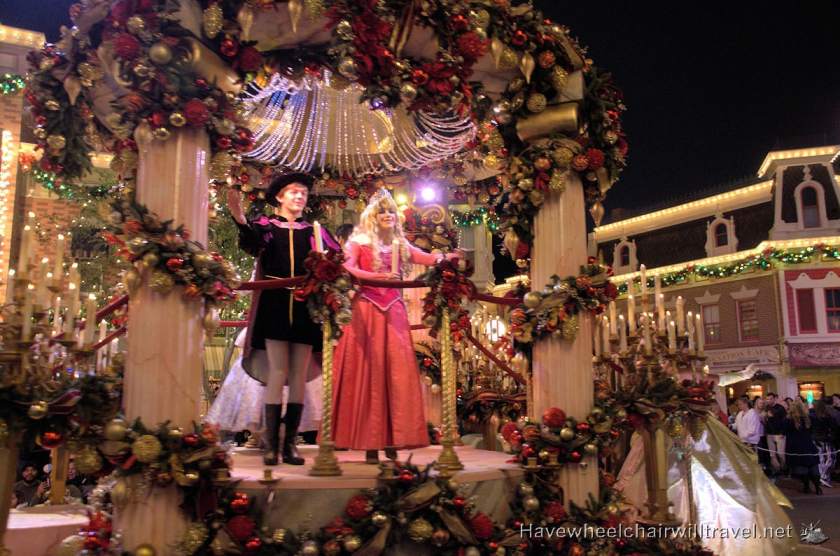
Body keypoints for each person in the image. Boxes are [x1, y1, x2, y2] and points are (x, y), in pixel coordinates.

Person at [331, 188, 459, 464]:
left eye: (390, 211)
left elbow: (427, 258)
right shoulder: (359, 241)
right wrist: (376, 276)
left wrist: (449, 259)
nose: (387, 215)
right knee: (370, 373)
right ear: (372, 217)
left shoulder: (401, 244)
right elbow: (348, 268)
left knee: (396, 374)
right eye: (382, 211)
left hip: (394, 312)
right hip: (367, 310)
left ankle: (391, 439)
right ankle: (369, 443)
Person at [227, 173, 337, 466]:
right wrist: (238, 215)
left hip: (305, 305)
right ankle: (272, 444)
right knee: (278, 371)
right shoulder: (266, 225)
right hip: (274, 303)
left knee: (299, 374)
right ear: (279, 197)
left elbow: (335, 258)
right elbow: (252, 244)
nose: (300, 197)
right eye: (293, 192)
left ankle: (290, 444)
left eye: (303, 193)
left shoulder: (315, 230)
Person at [785, 400, 821, 494]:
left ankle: (806, 486)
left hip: (796, 447)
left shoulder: (789, 420)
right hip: (809, 445)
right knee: (813, 466)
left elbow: (783, 430)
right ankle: (818, 488)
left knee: (801, 467)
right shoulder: (809, 418)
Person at [810, 399, 836, 488]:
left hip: (819, 439)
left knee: (824, 459)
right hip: (822, 439)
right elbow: (833, 427)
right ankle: (824, 477)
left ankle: (823, 477)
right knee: (828, 459)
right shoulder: (824, 416)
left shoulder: (813, 416)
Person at [763, 392, 787, 475]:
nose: (768, 400)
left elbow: (784, 421)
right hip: (769, 434)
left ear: (774, 399)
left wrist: (782, 433)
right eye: (767, 399)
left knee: (781, 454)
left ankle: (784, 469)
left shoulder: (780, 408)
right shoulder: (766, 408)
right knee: (772, 454)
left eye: (770, 399)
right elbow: (766, 420)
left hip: (779, 434)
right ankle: (778, 471)